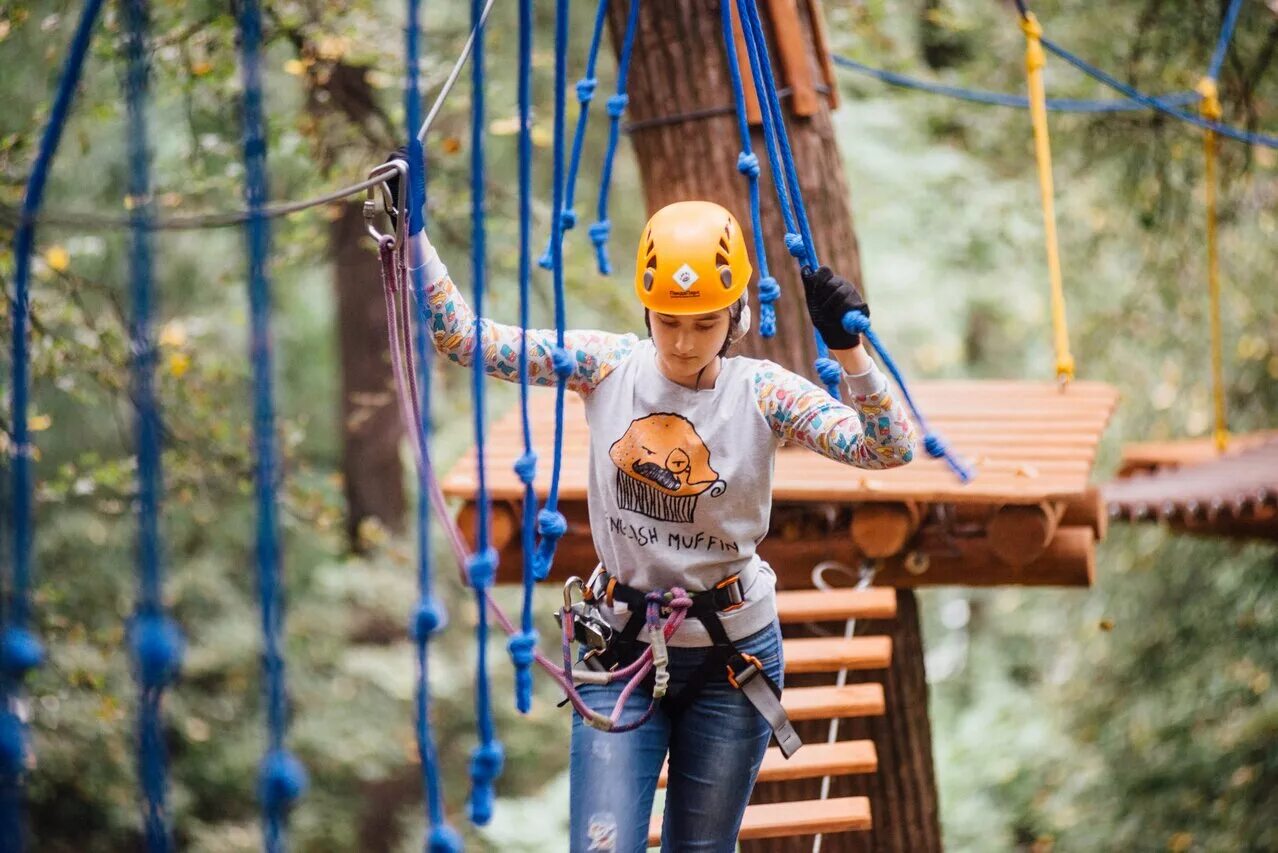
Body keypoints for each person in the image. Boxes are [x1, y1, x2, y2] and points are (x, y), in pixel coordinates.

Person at [406, 198, 916, 852]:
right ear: (645, 310)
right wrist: (416, 232)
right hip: (622, 648)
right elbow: (468, 340)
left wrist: (850, 353)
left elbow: (888, 449)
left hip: (733, 660)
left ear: (735, 317)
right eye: (669, 321)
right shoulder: (605, 364)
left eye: (704, 323)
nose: (682, 342)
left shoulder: (763, 393)